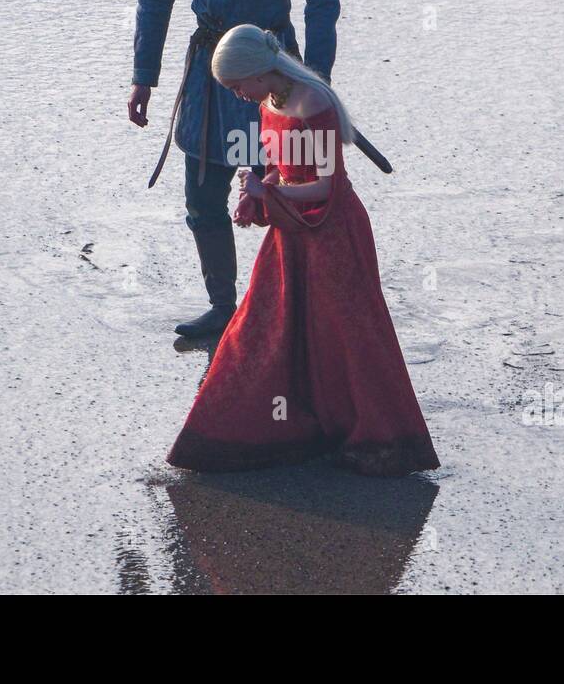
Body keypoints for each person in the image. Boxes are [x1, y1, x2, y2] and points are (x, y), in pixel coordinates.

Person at [166, 25, 440, 477]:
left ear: (258, 71)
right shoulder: (267, 103)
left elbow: (326, 187)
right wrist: (258, 193)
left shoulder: (316, 106)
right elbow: (280, 169)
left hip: (333, 234)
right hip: (291, 232)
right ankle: (257, 432)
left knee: (345, 335)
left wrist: (267, 192)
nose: (236, 94)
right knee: (266, 327)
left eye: (237, 85)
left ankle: (374, 437)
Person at [127, 0, 340, 339]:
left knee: (292, 195)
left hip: (275, 77)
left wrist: (316, 78)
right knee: (203, 197)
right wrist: (143, 77)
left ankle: (296, 316)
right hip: (211, 77)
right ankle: (224, 310)